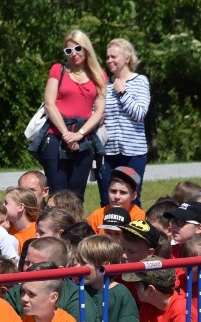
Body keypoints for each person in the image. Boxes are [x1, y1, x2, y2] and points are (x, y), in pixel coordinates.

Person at [35, 30, 106, 203]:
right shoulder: (58, 70)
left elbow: (99, 111)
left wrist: (79, 134)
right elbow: (50, 104)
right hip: (55, 135)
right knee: (57, 192)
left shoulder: (99, 75)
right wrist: (66, 134)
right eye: (69, 51)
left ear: (87, 49)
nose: (74, 54)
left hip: (84, 137)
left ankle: (74, 229)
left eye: (78, 49)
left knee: (77, 195)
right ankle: (52, 228)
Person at [99, 39, 150, 207]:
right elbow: (97, 112)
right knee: (108, 200)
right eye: (107, 57)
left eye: (114, 56)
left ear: (127, 58)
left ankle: (133, 232)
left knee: (131, 198)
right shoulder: (104, 84)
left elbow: (139, 114)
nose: (109, 61)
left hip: (133, 152)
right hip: (108, 152)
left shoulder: (140, 81)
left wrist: (122, 93)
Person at [87, 166, 145, 232]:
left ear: (133, 196)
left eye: (123, 192)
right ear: (108, 190)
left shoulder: (139, 218)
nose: (117, 197)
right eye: (113, 191)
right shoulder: (96, 216)